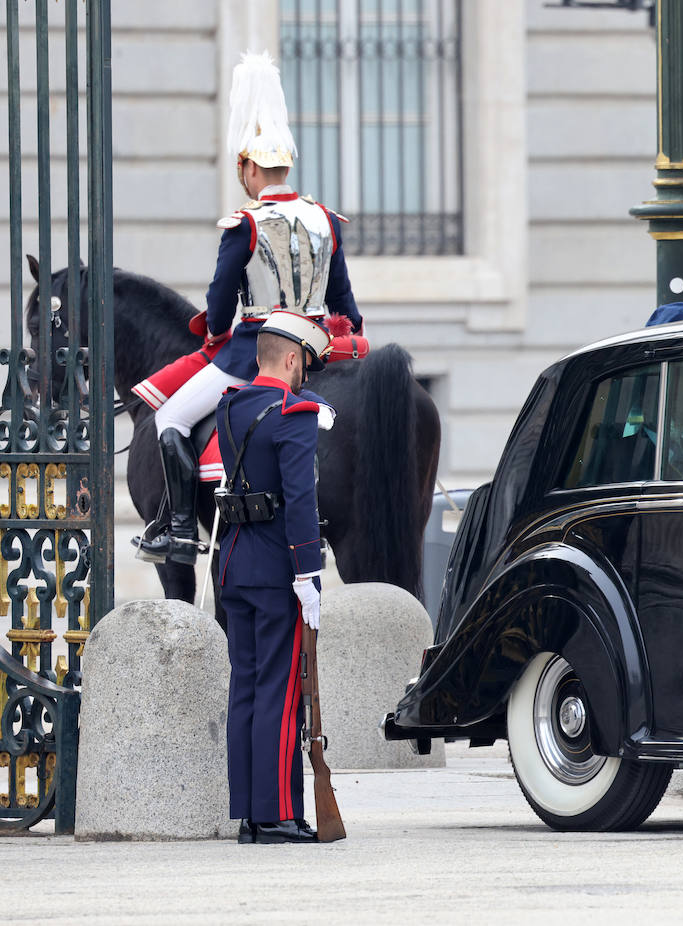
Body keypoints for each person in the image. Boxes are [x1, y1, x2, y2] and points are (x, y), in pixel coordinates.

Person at [134, 51, 362, 565]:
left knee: (169, 417)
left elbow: (218, 303)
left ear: (252, 168)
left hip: (251, 357)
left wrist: (215, 333)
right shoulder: (327, 219)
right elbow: (346, 301)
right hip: (318, 353)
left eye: (244, 169)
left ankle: (176, 531)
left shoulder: (245, 224)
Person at [218, 311, 334, 845]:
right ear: (291, 360)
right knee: (281, 692)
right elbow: (301, 500)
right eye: (304, 365)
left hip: (234, 563)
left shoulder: (229, 407)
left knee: (246, 687)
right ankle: (278, 815)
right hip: (278, 571)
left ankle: (248, 814)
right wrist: (309, 574)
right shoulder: (293, 414)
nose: (304, 376)